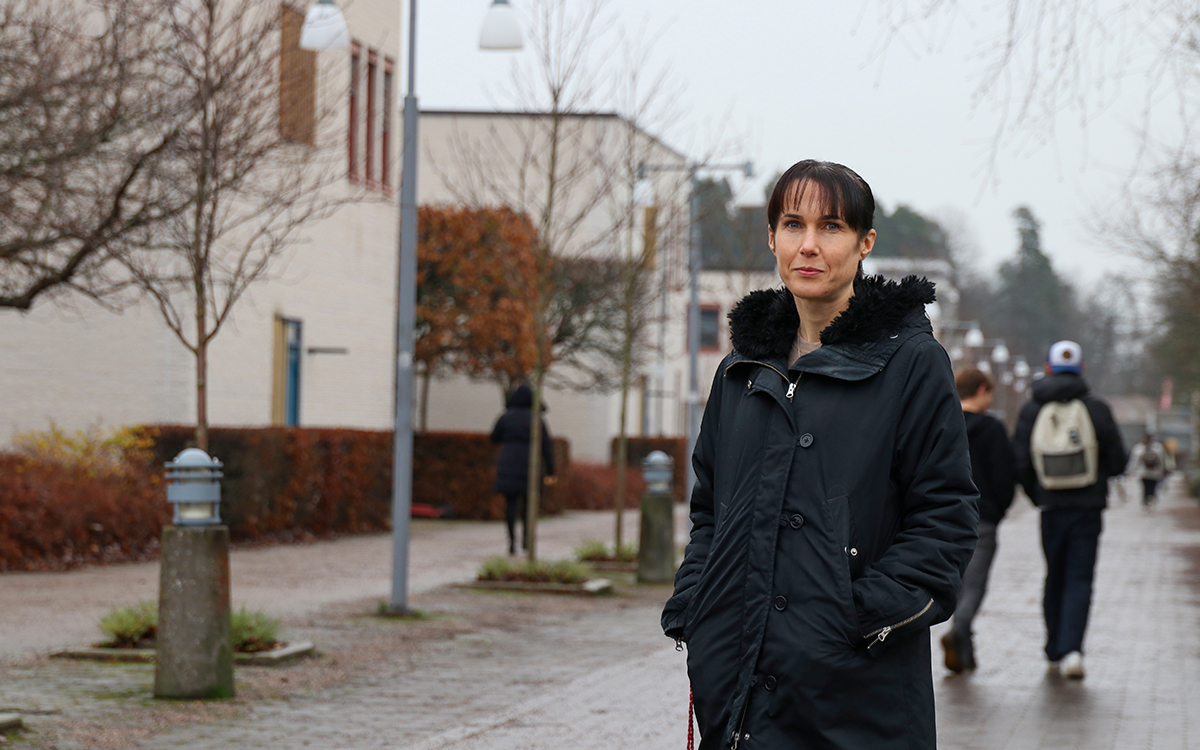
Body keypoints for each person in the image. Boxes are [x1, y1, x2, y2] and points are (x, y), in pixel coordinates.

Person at [661, 160, 978, 750]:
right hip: (739, 691)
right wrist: (697, 607)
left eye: (830, 227)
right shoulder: (740, 369)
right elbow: (710, 510)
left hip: (857, 695)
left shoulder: (911, 362)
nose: (809, 245)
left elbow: (946, 517)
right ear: (772, 239)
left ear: (864, 243)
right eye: (792, 224)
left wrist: (853, 615)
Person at [1012, 340, 1128, 679]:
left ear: (1047, 368)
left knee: (1055, 575)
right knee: (1080, 577)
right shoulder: (1097, 408)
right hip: (1088, 507)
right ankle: (1073, 650)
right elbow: (1118, 459)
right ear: (1082, 369)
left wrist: (1038, 495)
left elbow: (1019, 460)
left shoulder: (1032, 408)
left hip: (1051, 507)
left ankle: (1052, 649)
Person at [941, 367, 1016, 673]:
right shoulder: (993, 429)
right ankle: (960, 629)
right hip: (982, 518)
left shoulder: (944, 424)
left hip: (944, 516)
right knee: (975, 583)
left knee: (954, 580)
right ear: (983, 390)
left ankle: (965, 648)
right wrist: (998, 510)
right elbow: (1005, 478)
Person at [489, 383, 555, 555]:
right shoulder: (537, 419)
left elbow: (494, 438)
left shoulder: (506, 417)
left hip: (508, 463)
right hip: (530, 465)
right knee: (528, 504)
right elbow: (547, 446)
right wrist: (551, 471)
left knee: (510, 504)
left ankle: (511, 542)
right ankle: (526, 539)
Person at [1127, 432, 1166, 507]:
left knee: (1145, 487)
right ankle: (1151, 498)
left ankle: (1146, 500)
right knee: (1153, 487)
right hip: (1155, 473)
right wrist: (1163, 470)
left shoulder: (1139, 448)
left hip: (1143, 473)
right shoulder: (1158, 447)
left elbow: (1134, 462)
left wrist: (1130, 472)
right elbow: (1162, 461)